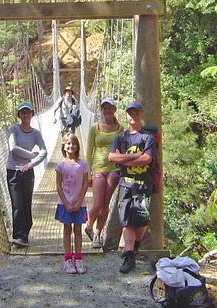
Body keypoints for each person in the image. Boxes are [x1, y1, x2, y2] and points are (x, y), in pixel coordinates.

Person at [108, 100, 156, 273]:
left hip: (143, 185)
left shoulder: (148, 138)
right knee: (126, 219)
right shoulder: (120, 138)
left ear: (141, 115)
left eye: (136, 113)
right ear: (126, 116)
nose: (133, 116)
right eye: (130, 114)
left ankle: (134, 247)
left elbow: (147, 159)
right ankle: (129, 256)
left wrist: (124, 159)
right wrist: (136, 155)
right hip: (125, 184)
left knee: (142, 220)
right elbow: (112, 158)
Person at [7, 101, 47, 247]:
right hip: (13, 170)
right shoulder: (13, 130)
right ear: (19, 114)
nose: (25, 115)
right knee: (17, 204)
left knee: (26, 203)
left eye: (28, 112)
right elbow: (13, 148)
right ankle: (19, 237)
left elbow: (44, 151)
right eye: (22, 112)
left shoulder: (36, 134)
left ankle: (25, 233)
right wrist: (31, 154)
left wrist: (31, 164)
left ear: (32, 114)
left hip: (27, 172)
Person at [85, 96, 124, 249]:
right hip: (98, 168)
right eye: (104, 108)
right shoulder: (95, 127)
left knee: (105, 205)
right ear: (101, 110)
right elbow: (89, 151)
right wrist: (87, 173)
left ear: (114, 109)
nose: (107, 110)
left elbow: (123, 148)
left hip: (114, 169)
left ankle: (97, 234)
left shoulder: (120, 128)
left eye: (110, 107)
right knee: (97, 204)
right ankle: (88, 226)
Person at [55, 133, 89, 274]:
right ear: (64, 146)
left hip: (79, 204)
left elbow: (86, 183)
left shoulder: (83, 164)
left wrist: (79, 201)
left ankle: (79, 258)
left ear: (77, 146)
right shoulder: (61, 165)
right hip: (65, 204)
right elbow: (58, 186)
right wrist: (66, 203)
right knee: (67, 230)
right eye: (68, 143)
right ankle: (68, 259)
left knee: (78, 231)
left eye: (73, 143)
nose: (71, 146)